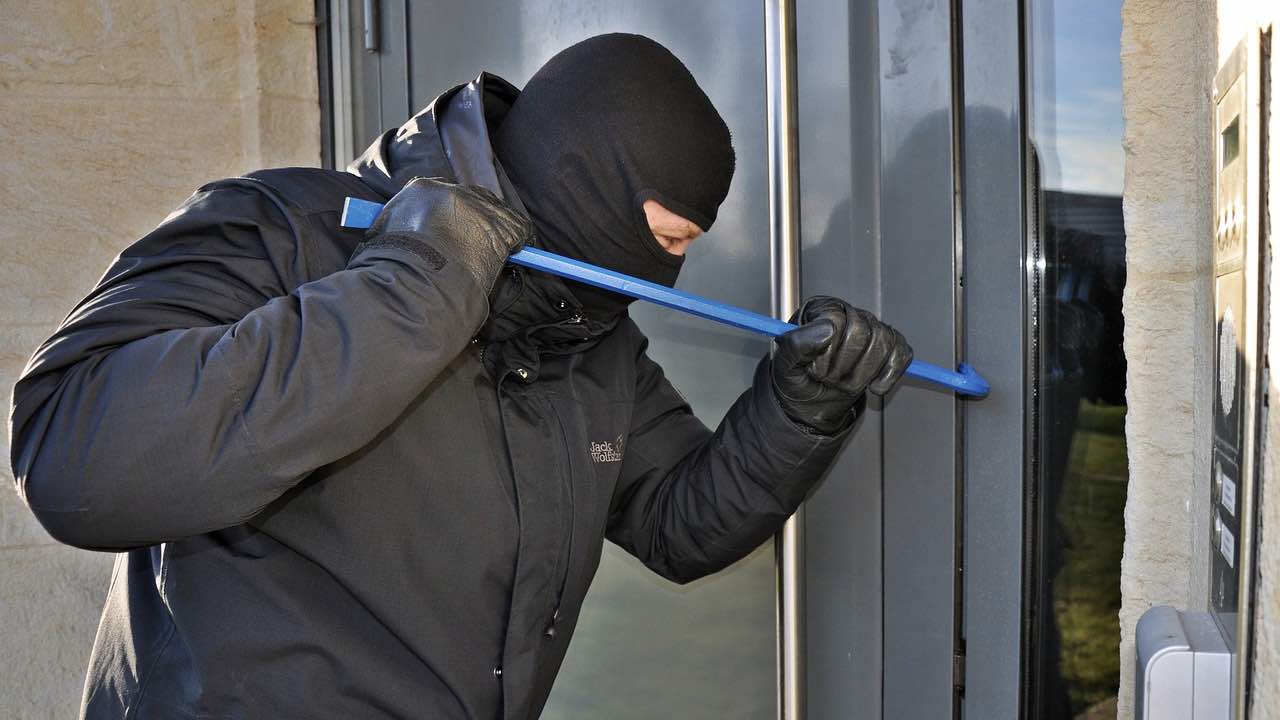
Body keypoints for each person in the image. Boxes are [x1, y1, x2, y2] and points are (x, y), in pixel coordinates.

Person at [8, 33, 911, 719]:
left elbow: (677, 523)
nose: (668, 272)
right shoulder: (284, 229)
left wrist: (802, 404)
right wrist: (413, 289)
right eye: (669, 238)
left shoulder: (585, 336)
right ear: (585, 185)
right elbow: (72, 459)